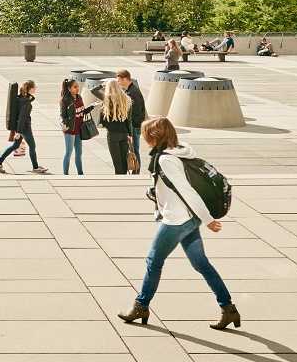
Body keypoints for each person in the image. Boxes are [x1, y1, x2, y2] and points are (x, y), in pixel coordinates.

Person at [118, 117, 239, 330]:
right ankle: (228, 309)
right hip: (188, 219)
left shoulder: (166, 160)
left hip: (178, 220)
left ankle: (141, 306)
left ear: (155, 136)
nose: (144, 138)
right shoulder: (179, 151)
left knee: (153, 261)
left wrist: (209, 220)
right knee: (200, 263)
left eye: (146, 134)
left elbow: (187, 191)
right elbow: (173, 187)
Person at [0, 80, 47, 174]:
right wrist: (19, 132)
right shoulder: (26, 102)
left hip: (20, 127)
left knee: (15, 145)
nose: (36, 88)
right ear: (30, 89)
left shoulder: (21, 98)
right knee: (32, 146)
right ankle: (35, 167)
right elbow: (22, 117)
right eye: (34, 87)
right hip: (24, 128)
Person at [99, 80, 134, 175]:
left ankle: (120, 182)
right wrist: (130, 134)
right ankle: (125, 180)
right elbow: (129, 120)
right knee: (124, 162)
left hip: (112, 134)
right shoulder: (126, 99)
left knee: (117, 163)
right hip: (124, 133)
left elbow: (102, 121)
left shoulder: (107, 100)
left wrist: (103, 84)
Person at [60, 79, 94, 175]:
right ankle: (65, 174)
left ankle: (80, 173)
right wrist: (65, 125)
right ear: (69, 88)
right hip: (70, 130)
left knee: (79, 154)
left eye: (78, 86)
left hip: (79, 129)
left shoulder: (79, 97)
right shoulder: (65, 100)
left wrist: (91, 107)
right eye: (75, 87)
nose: (77, 88)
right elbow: (63, 115)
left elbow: (81, 111)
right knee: (68, 153)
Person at [116, 70, 146, 174]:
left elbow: (136, 112)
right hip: (135, 125)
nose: (118, 83)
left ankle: (136, 170)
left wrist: (132, 129)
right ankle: (136, 170)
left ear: (125, 79)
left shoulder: (133, 92)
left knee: (135, 150)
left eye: (119, 81)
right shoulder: (131, 90)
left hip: (134, 126)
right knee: (134, 149)